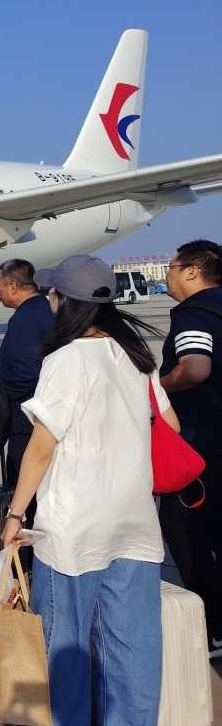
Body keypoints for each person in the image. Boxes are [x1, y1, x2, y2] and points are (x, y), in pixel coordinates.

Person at [2, 254, 174, 726]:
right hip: (135, 518)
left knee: (65, 649)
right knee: (133, 649)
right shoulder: (136, 354)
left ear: (64, 301)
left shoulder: (66, 359)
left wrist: (16, 513)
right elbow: (171, 425)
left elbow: (41, 448)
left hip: (74, 524)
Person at [158, 239, 222, 658]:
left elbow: (195, 368)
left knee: (183, 529)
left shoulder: (194, 312)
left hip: (201, 448)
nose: (168, 273)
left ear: (193, 271)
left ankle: (212, 625)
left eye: (172, 266)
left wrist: (154, 388)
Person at [0, 259, 54, 497]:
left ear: (12, 287)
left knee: (23, 489)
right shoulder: (45, 309)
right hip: (48, 415)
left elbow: (26, 373)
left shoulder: (24, 320)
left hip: (26, 421)